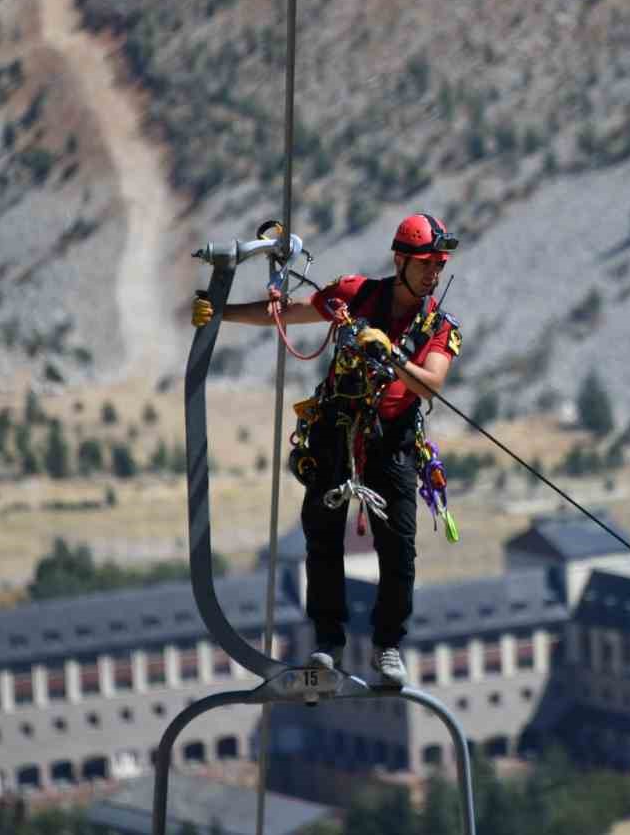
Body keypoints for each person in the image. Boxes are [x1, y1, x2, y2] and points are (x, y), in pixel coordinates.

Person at [190, 213, 463, 686]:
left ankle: (387, 647)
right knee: (322, 538)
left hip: (392, 441)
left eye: (439, 264)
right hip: (335, 431)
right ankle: (328, 642)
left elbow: (431, 385)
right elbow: (289, 312)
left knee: (398, 549)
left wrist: (394, 355)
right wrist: (221, 311)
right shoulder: (357, 295)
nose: (433, 272)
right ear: (400, 260)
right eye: (426, 263)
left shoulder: (439, 326)